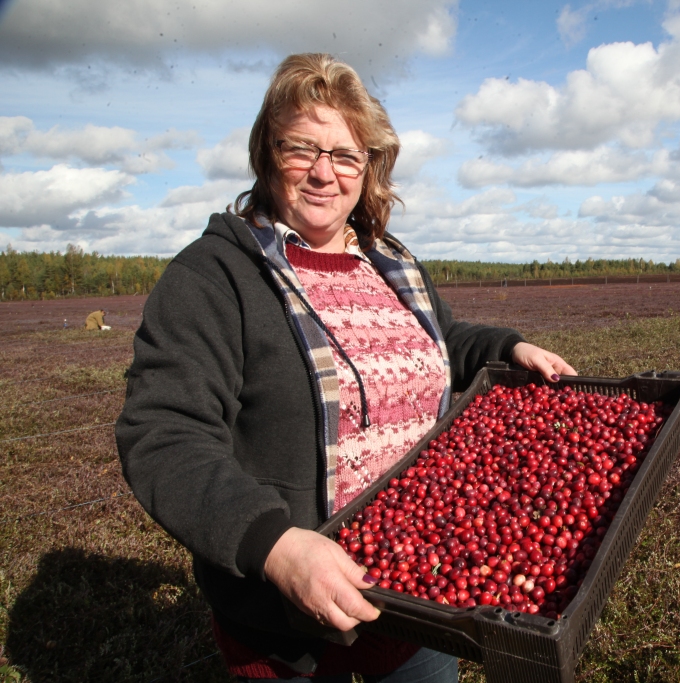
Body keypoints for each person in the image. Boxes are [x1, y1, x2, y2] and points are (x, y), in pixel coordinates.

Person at [115, 53, 575, 683]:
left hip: (418, 595)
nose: (324, 172)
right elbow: (164, 434)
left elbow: (438, 340)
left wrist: (506, 349)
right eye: (302, 148)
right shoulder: (214, 276)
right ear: (267, 153)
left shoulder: (388, 261)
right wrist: (276, 547)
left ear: (369, 167)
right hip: (287, 624)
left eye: (345, 155)